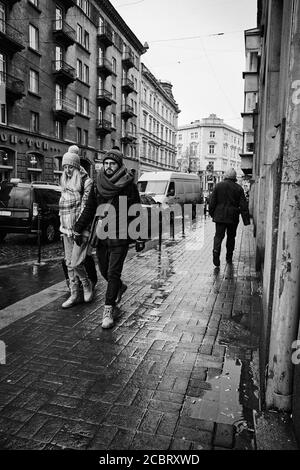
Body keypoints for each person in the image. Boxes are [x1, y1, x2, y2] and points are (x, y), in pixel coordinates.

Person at [73, 148, 144, 329]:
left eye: (112, 163)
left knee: (113, 273)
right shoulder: (98, 184)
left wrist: (140, 236)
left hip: (120, 235)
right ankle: (119, 287)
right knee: (104, 270)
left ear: (119, 165)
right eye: (106, 163)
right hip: (102, 234)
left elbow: (137, 212)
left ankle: (108, 310)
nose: (108, 166)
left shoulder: (129, 185)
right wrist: (78, 228)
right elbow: (89, 208)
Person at [59, 145, 94, 308]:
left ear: (77, 167)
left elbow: (86, 207)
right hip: (66, 229)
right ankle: (74, 293)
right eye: (65, 167)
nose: (67, 171)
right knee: (68, 262)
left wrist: (78, 230)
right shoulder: (65, 183)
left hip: (80, 230)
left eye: (70, 167)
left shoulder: (86, 182)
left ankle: (86, 284)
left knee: (75, 262)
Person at [209, 168, 250, 267]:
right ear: (234, 177)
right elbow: (243, 205)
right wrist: (246, 220)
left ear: (225, 176)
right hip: (233, 217)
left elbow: (212, 202)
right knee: (231, 237)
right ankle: (229, 257)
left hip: (220, 217)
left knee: (218, 236)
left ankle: (216, 252)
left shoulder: (218, 186)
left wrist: (212, 214)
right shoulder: (238, 188)